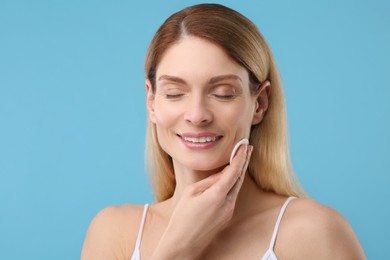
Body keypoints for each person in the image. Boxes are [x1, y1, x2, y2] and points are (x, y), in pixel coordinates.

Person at [81, 4, 365, 259]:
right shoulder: (114, 232)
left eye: (223, 93)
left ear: (260, 103)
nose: (197, 115)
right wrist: (178, 247)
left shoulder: (314, 232)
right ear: (151, 102)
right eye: (175, 92)